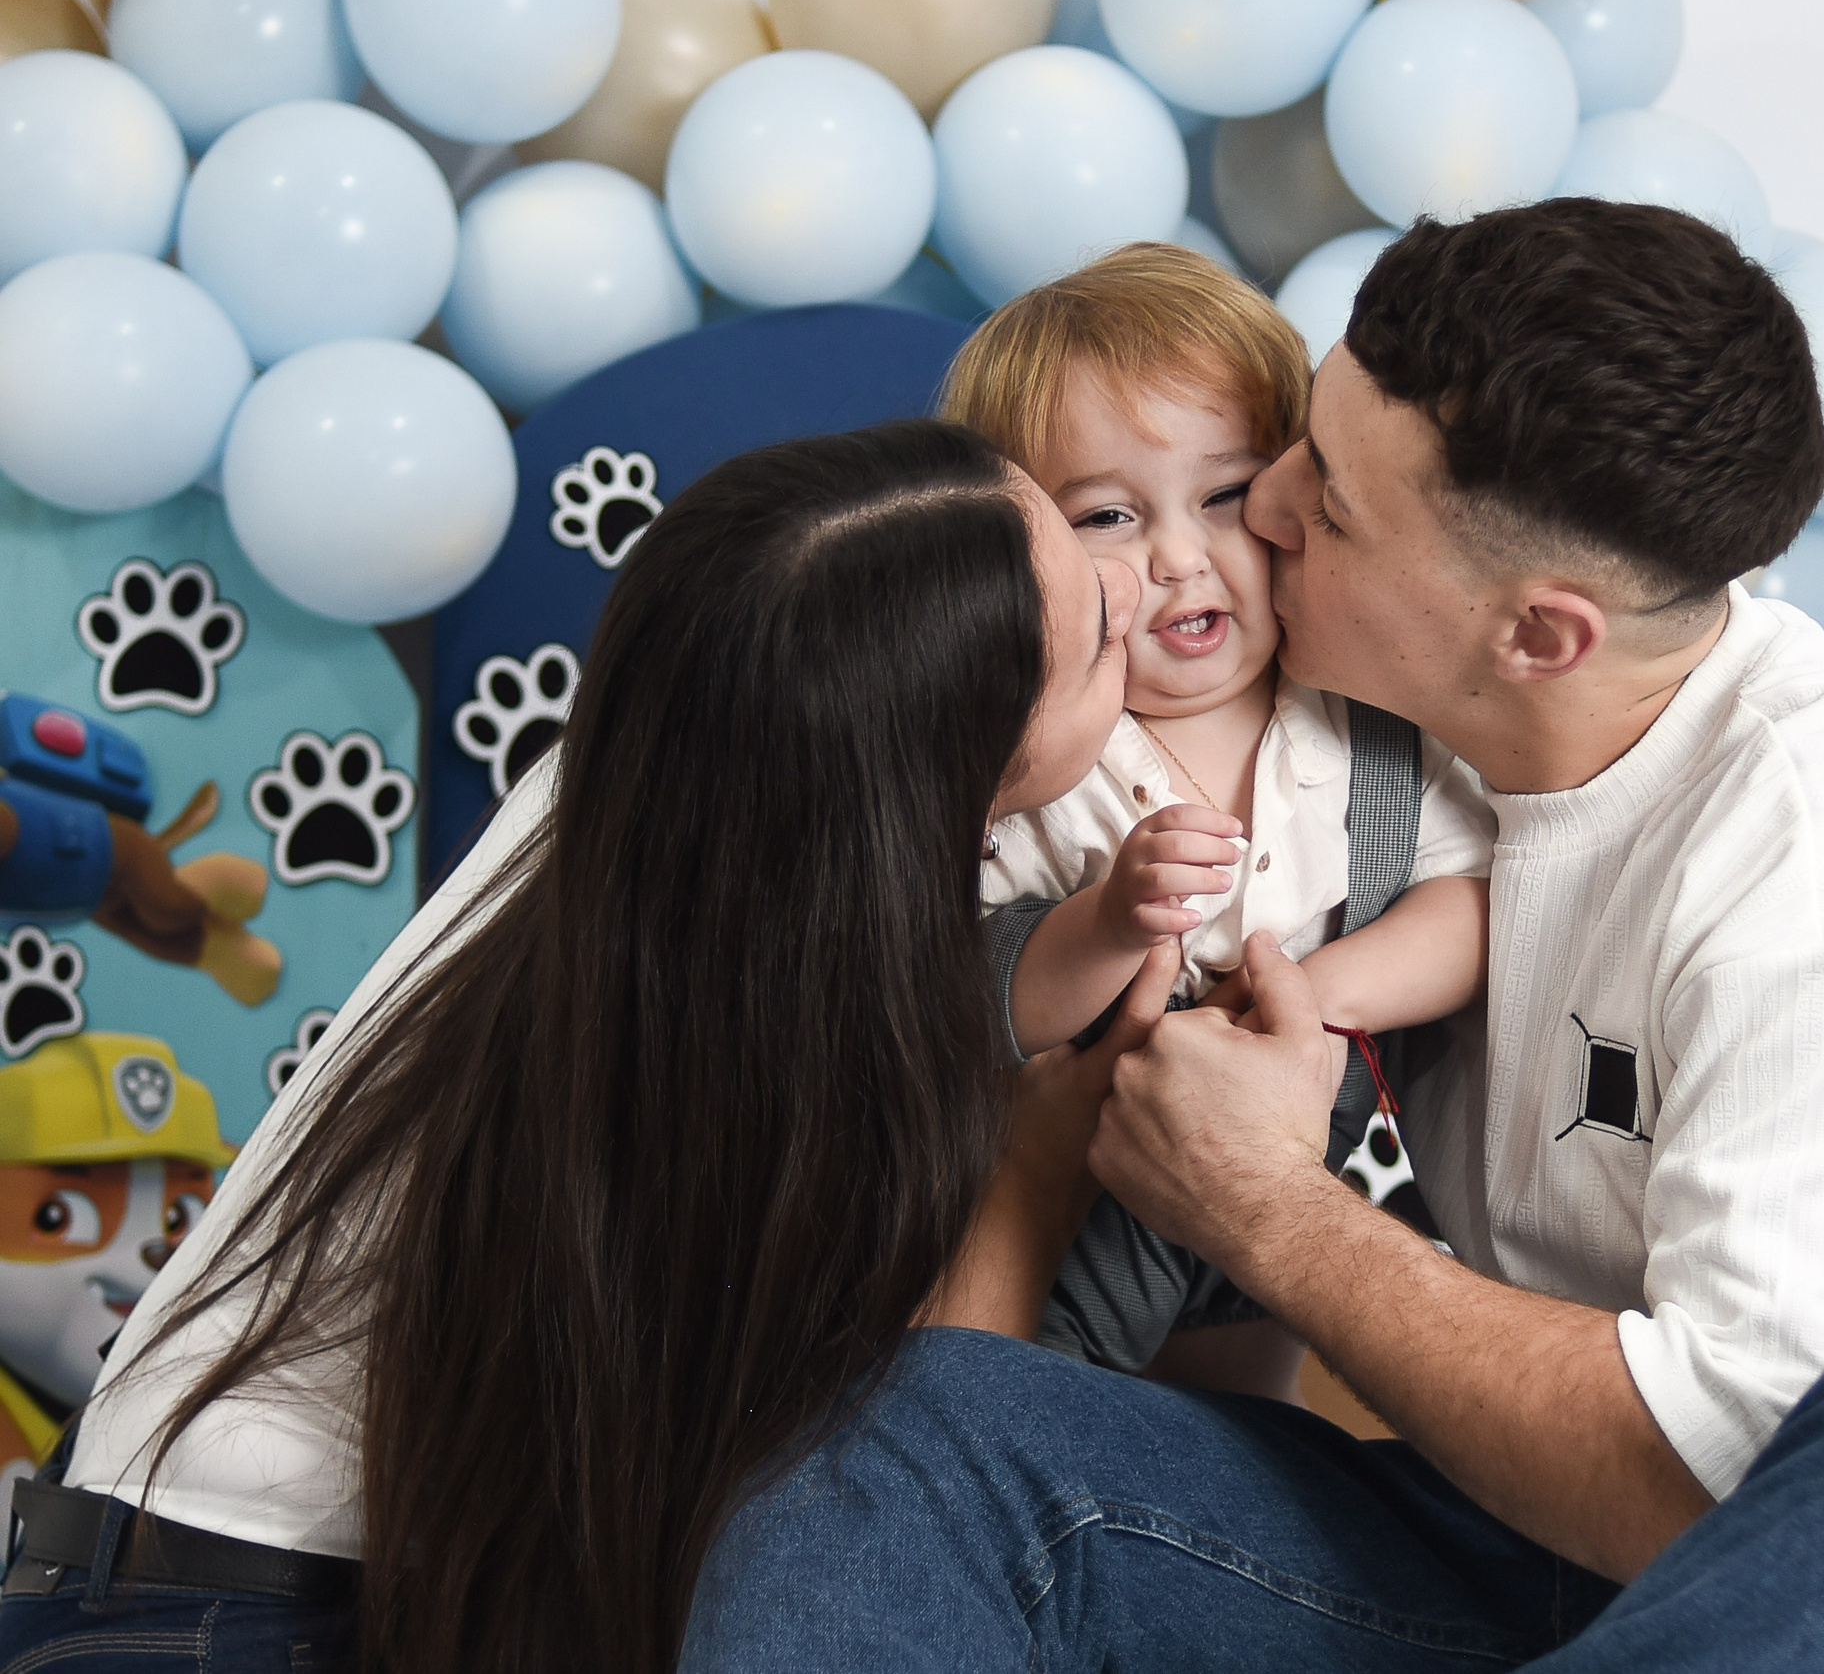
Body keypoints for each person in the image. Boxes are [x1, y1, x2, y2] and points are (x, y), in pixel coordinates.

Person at [680, 203, 1824, 1672]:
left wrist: (1263, 1208)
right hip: (1524, 1566)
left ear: (1537, 633)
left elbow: (1717, 1497)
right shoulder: (1411, 737)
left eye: (1320, 504)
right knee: (903, 1431)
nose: (1262, 514)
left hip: (1815, 1598)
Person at [0, 421, 1159, 1674]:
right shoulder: (762, 988)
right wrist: (1033, 1176)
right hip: (233, 1611)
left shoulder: (653, 773)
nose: (1147, 585)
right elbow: (914, 1445)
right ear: (955, 755)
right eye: (1102, 627)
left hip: (131, 1553)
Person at [944, 243, 1495, 1397]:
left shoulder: (1364, 711)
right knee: (1038, 1395)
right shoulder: (1046, 751)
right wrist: (1104, 921)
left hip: (1318, 1163)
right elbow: (980, 988)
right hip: (1093, 1182)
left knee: (1262, 1396)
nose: (1180, 557)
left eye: (1227, 495)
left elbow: (1467, 904)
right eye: (1105, 516)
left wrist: (1324, 992)